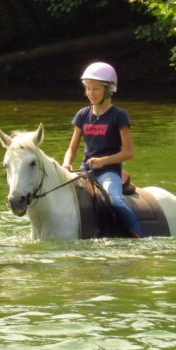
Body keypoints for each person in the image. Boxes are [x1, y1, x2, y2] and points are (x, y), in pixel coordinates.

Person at [62, 62, 145, 238]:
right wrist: (66, 164)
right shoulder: (82, 115)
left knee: (115, 201)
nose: (90, 93)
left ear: (108, 90)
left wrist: (102, 161)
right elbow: (72, 149)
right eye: (88, 89)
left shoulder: (119, 115)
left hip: (108, 171)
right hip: (85, 171)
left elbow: (129, 152)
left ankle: (140, 236)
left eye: (96, 89)